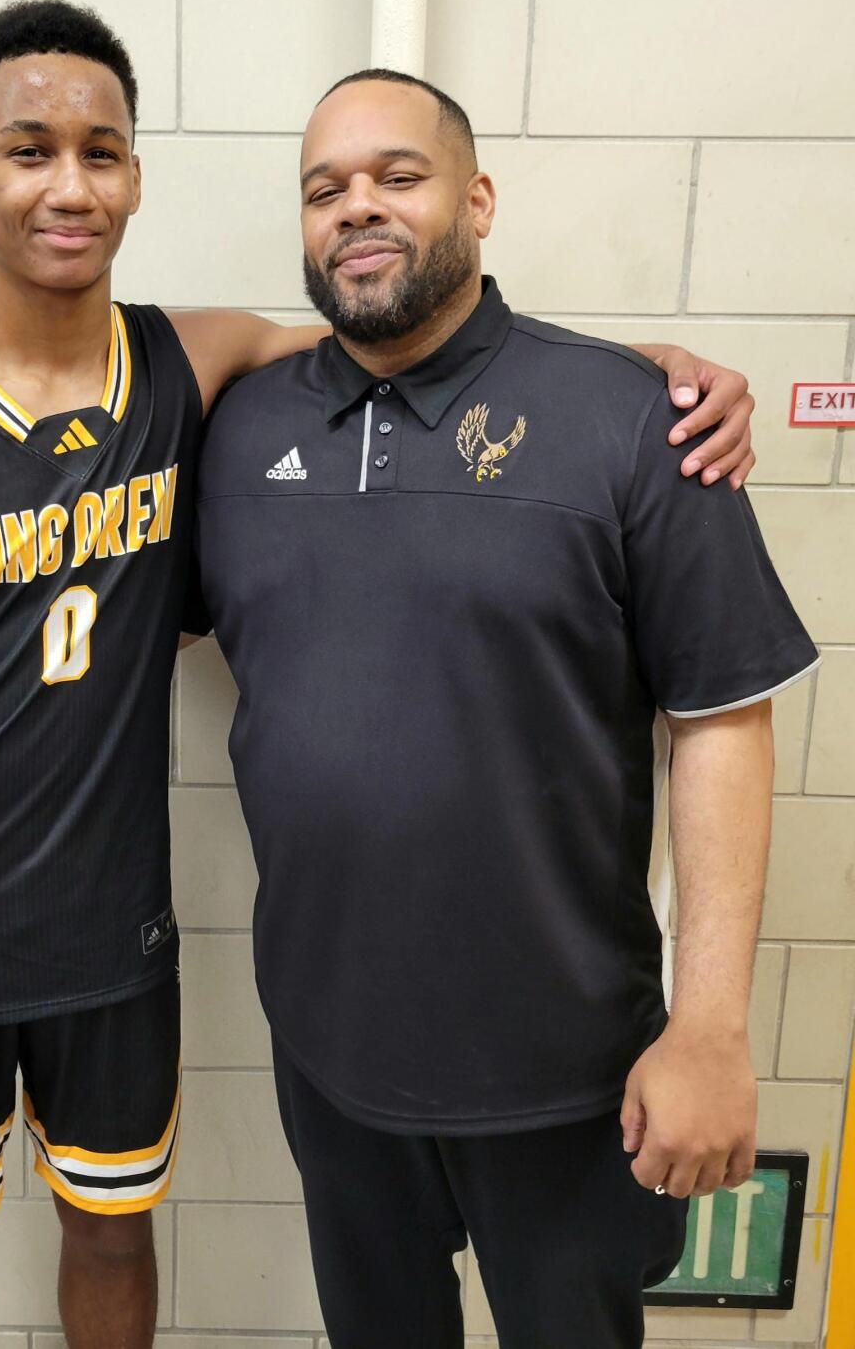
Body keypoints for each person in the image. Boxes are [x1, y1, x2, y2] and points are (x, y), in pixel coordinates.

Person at [0, 0, 758, 1349]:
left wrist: (642, 382)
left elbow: (420, 335)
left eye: (102, 150)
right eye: (28, 151)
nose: (69, 184)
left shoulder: (195, 363)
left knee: (111, 1234)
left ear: (136, 173)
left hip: (122, 947)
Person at [187, 68, 818, 1349]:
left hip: (566, 1069)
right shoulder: (238, 433)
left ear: (475, 199)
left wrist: (708, 1027)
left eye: (398, 176)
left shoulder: (638, 422)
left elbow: (722, 721)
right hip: (332, 1053)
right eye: (325, 189)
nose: (358, 206)